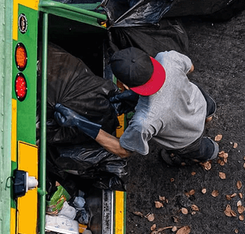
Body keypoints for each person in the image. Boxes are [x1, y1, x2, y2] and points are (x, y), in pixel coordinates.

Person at [53, 47, 218, 167]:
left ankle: (210, 152)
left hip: (187, 137)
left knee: (198, 149)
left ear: (125, 85)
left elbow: (124, 150)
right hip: (200, 101)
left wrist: (81, 123)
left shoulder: (144, 121)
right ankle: (209, 117)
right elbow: (190, 68)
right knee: (208, 108)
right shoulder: (167, 58)